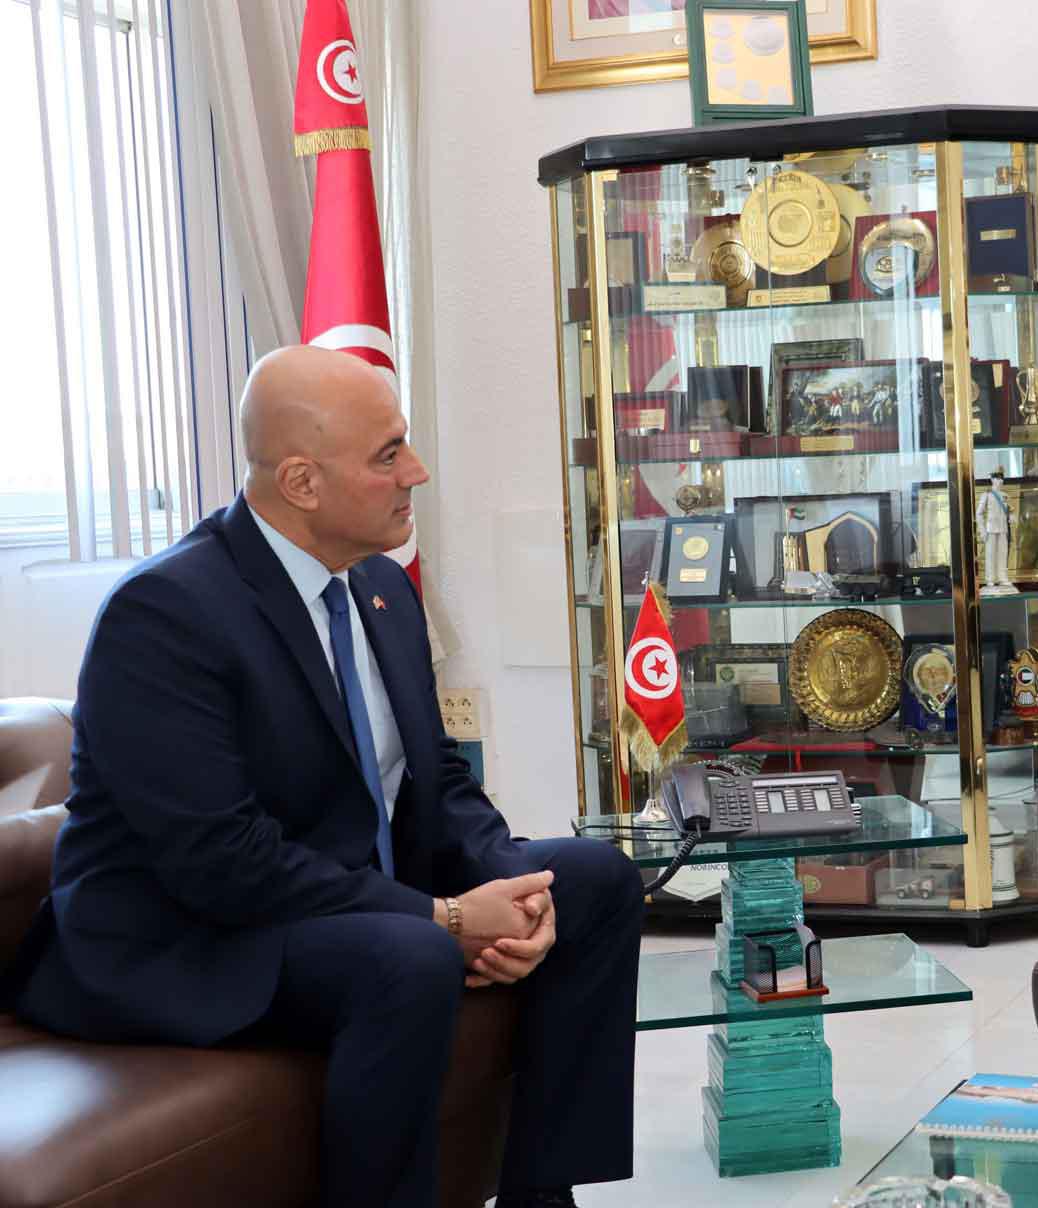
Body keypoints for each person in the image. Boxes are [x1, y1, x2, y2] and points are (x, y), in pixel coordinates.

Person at [0, 346, 643, 1208]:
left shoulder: (380, 586)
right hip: (184, 935)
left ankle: (541, 1195)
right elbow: (222, 860)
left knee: (595, 880)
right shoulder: (164, 614)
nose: (416, 473)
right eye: (389, 454)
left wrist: (510, 885)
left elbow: (437, 777)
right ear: (302, 483)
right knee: (410, 953)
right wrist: (445, 916)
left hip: (334, 892)